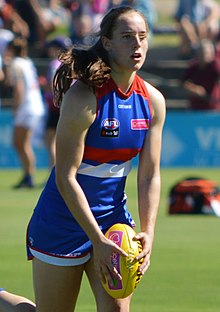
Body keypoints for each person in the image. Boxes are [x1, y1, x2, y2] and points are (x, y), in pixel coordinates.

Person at [0, 5, 166, 312]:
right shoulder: (83, 97)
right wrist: (96, 240)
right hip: (63, 220)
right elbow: (65, 176)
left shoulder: (153, 101)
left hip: (113, 220)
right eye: (127, 37)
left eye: (142, 37)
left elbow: (149, 175)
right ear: (107, 42)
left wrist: (149, 231)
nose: (137, 45)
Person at [4, 37, 46, 188]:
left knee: (22, 143)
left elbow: (19, 88)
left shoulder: (16, 63)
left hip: (26, 107)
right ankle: (27, 174)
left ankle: (29, 176)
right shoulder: (27, 62)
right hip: (34, 105)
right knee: (20, 143)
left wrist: (16, 107)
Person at [42, 36, 72, 168]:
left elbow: (54, 86)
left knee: (51, 141)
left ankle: (54, 173)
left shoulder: (55, 64)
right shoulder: (71, 64)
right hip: (69, 106)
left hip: (56, 106)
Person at [181, 39, 220, 110]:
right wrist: (194, 89)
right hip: (195, 108)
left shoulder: (216, 66)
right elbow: (183, 82)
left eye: (206, 53)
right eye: (201, 53)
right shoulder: (194, 66)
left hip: (213, 108)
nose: (204, 55)